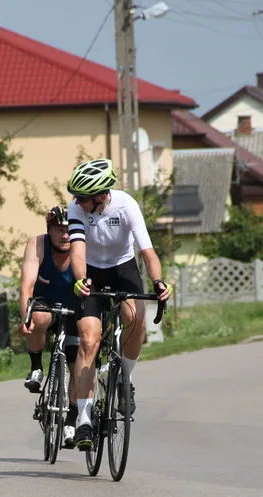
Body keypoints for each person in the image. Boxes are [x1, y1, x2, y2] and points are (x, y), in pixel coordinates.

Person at [65, 158, 172, 451]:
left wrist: (158, 282)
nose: (77, 202)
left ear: (101, 196)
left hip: (123, 268)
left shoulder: (126, 205)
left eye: (83, 197)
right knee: (88, 341)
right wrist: (80, 279)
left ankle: (126, 379)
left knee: (137, 319)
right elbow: (77, 249)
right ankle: (84, 419)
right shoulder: (76, 209)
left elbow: (147, 252)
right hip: (91, 271)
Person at [19, 205, 80, 448]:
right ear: (49, 230)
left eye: (69, 229)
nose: (65, 235)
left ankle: (72, 420)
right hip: (46, 304)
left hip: (76, 309)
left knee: (80, 364)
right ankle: (36, 367)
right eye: (58, 230)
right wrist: (26, 318)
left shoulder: (82, 248)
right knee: (38, 318)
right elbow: (26, 286)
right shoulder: (37, 245)